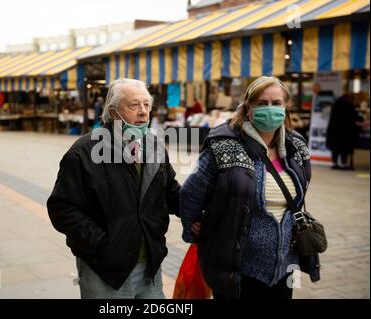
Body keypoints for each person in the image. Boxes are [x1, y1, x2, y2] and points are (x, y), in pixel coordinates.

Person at [180, 76, 320, 300]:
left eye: (276, 103)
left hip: (283, 266)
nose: (270, 109)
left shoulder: (297, 146)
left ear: (286, 107)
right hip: (235, 269)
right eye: (262, 103)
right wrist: (195, 228)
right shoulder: (224, 143)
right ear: (248, 107)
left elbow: (302, 189)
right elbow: (190, 193)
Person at [47, 78, 181, 299]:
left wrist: (199, 211)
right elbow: (62, 209)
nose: (143, 113)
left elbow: (170, 191)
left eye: (147, 105)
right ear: (113, 111)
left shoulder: (154, 146)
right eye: (134, 105)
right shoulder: (84, 152)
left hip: (150, 269)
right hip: (105, 273)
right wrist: (103, 246)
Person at [326, 93, 363, 170]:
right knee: (345, 148)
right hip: (346, 130)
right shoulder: (349, 104)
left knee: (335, 147)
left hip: (334, 129)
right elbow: (354, 116)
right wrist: (361, 120)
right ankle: (344, 164)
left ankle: (335, 163)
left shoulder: (335, 103)